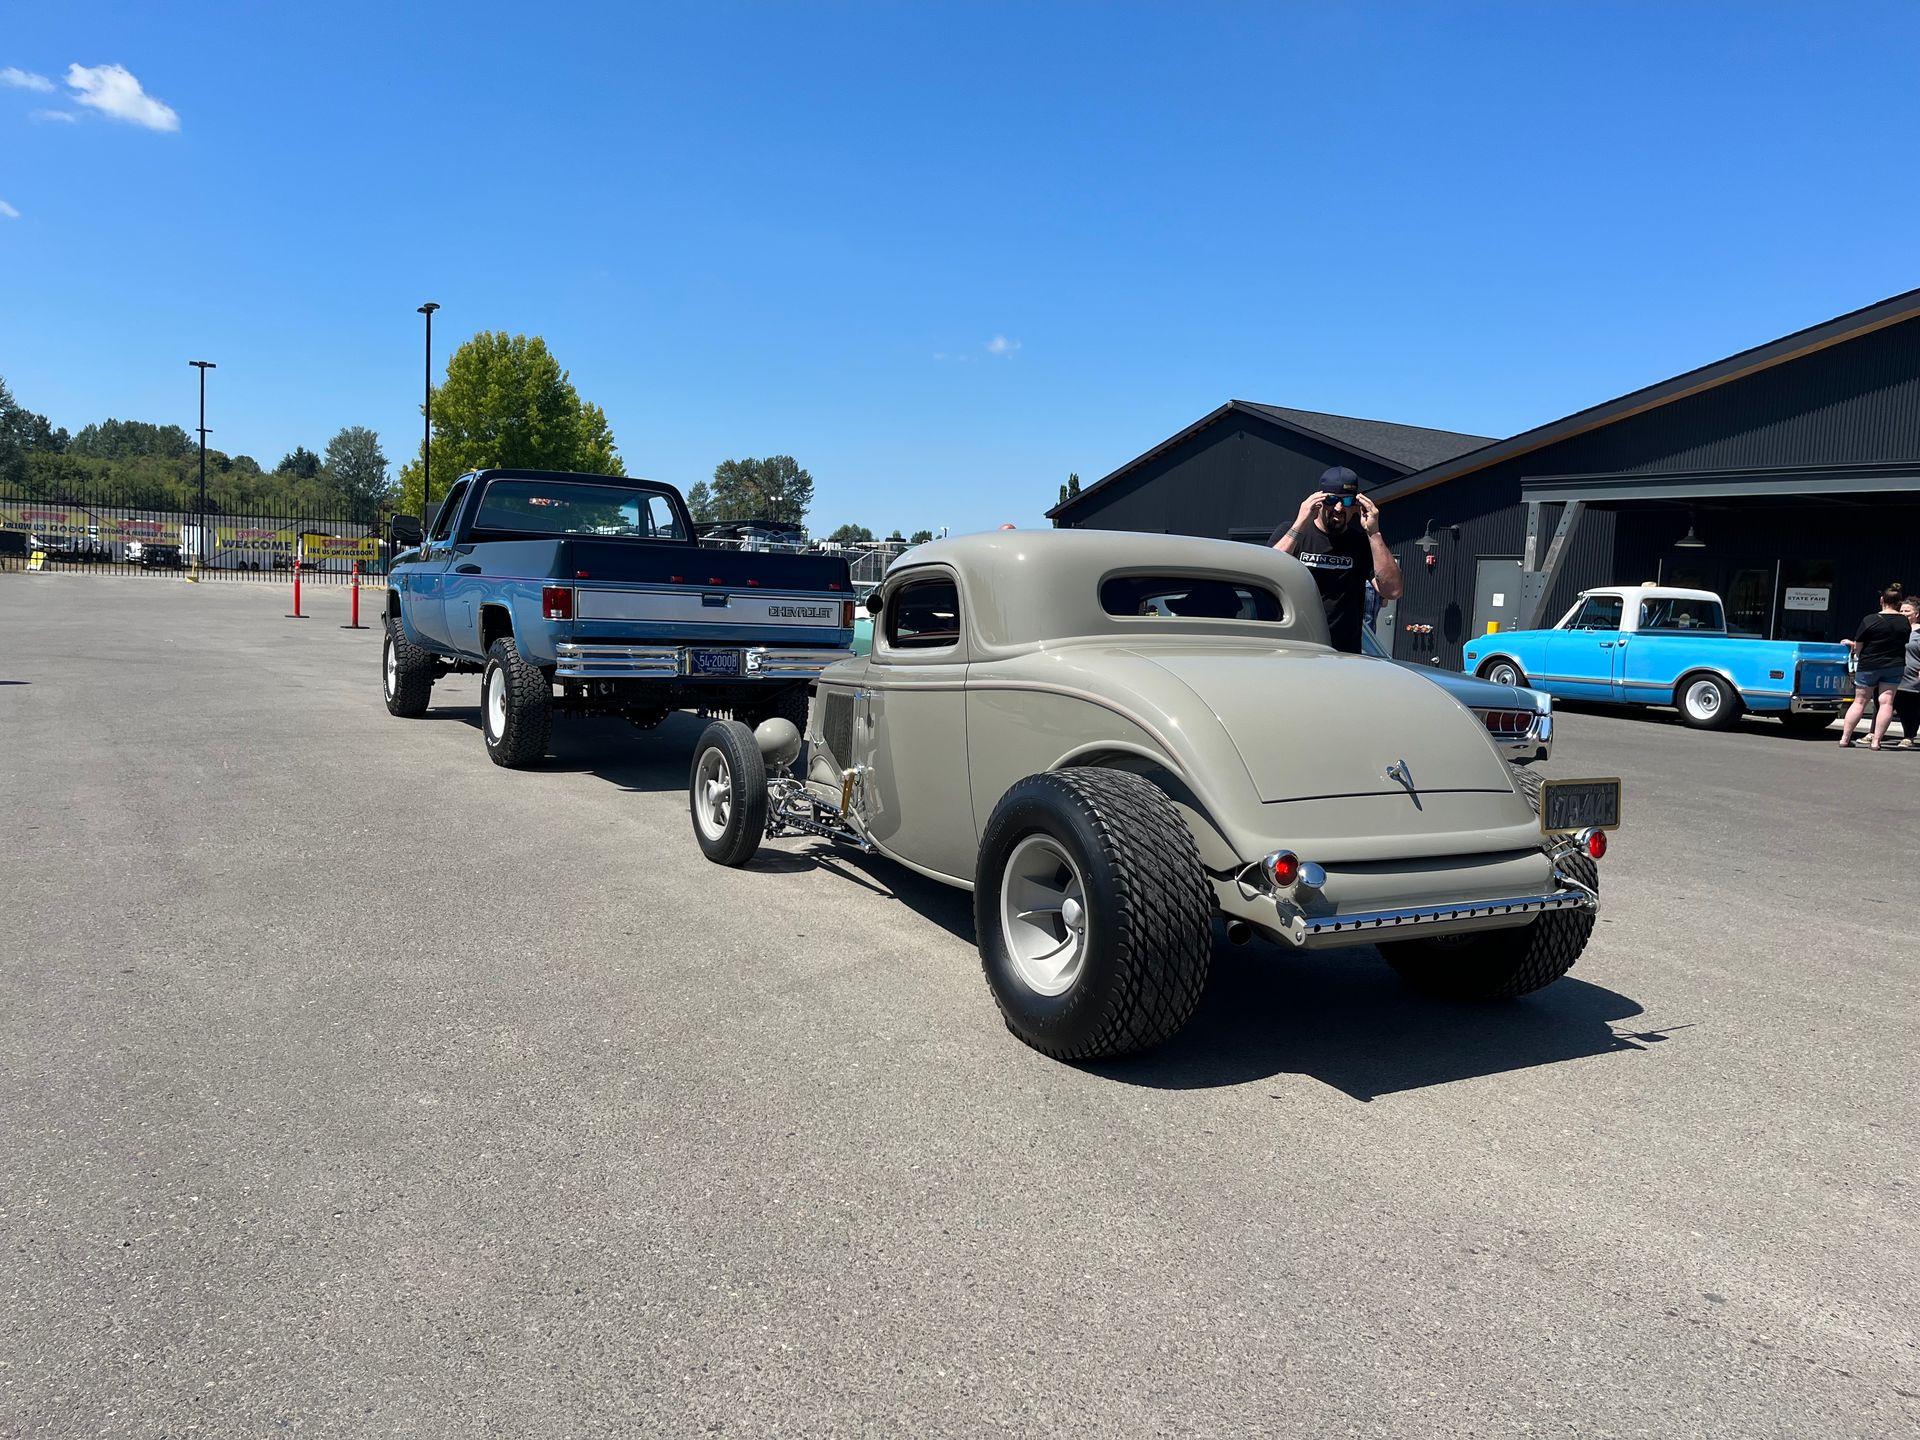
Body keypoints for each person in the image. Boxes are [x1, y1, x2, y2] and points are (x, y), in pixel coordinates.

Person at [1270, 466, 1404, 654]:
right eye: (1332, 500)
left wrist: (1374, 533)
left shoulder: (1360, 543)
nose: (1339, 508)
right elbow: (1268, 574)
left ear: (1356, 505)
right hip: (1294, 649)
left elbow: (1393, 591)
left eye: (1347, 501)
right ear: (1319, 501)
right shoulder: (1293, 533)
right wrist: (1300, 522)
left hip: (1342, 655)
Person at [1838, 583, 1910, 750]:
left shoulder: (1870, 620)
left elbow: (1858, 647)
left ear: (1881, 600)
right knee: (1886, 702)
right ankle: (1877, 741)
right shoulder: (1904, 622)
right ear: (1899, 602)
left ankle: (1845, 738)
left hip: (1869, 664)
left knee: (1860, 701)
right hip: (1894, 664)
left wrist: (1856, 653)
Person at [1893, 593, 1920, 750]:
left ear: (1916, 614)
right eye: (1901, 611)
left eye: (1907, 611)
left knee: (1911, 708)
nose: (1903, 614)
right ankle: (1874, 734)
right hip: (1894, 673)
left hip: (1913, 676)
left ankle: (1909, 736)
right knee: (1891, 704)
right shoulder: (1897, 628)